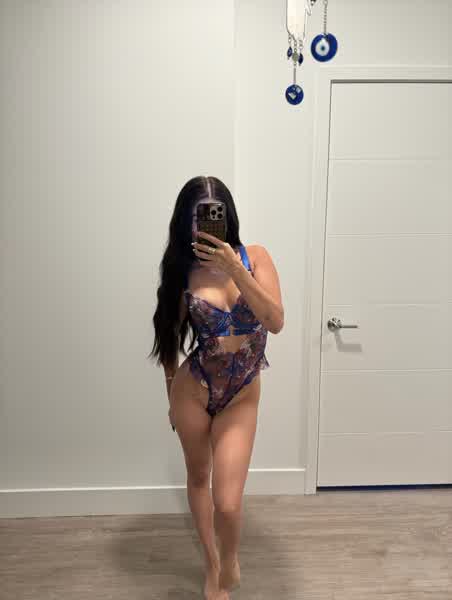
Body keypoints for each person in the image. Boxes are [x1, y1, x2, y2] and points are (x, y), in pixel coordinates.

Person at [148, 175, 284, 599]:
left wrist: (234, 269)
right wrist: (171, 398)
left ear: (227, 217)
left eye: (212, 216)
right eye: (195, 218)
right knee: (198, 476)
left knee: (227, 502)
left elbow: (275, 321)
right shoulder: (182, 272)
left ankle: (230, 558)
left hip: (241, 392)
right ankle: (211, 564)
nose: (203, 226)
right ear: (184, 222)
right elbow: (168, 340)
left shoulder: (255, 257)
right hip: (194, 390)